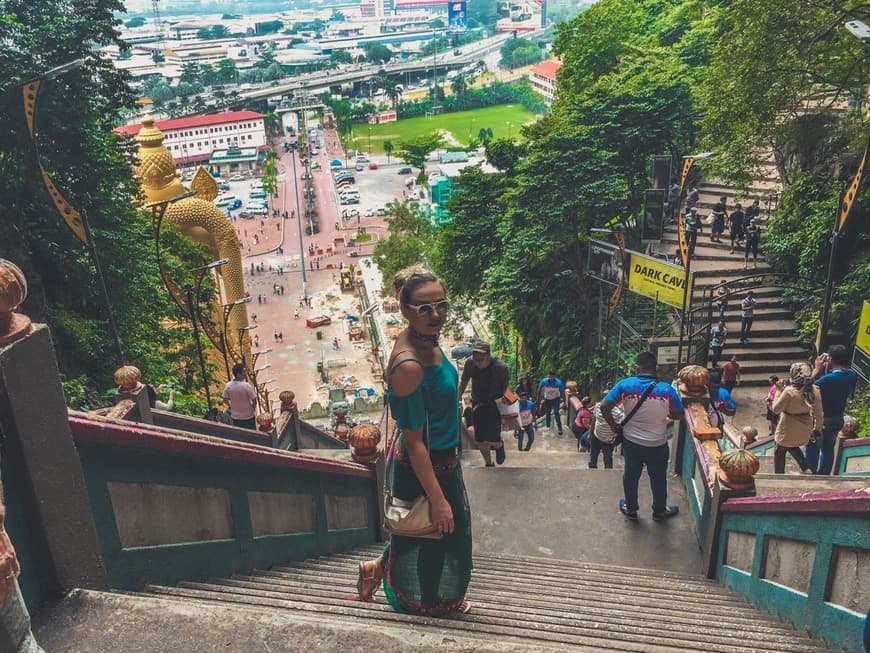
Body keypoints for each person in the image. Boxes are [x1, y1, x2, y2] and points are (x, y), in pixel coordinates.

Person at [355, 267, 472, 615]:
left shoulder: (425, 341)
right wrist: (438, 499)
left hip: (442, 459)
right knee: (440, 537)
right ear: (405, 311)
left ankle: (374, 569)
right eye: (424, 308)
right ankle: (430, 606)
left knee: (416, 531)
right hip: (427, 465)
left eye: (441, 305)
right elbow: (415, 440)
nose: (435, 314)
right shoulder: (409, 365)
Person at [599, 352, 683, 522]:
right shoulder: (667, 389)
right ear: (655, 369)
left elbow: (604, 406)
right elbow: (678, 414)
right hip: (657, 444)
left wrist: (614, 426)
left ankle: (631, 509)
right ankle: (659, 512)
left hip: (631, 443)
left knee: (631, 476)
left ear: (638, 367)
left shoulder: (625, 385)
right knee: (658, 478)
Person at [807, 344, 858, 475]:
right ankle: (824, 474)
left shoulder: (827, 379)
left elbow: (806, 388)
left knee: (813, 448)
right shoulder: (852, 375)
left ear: (830, 359)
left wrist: (816, 370)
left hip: (822, 419)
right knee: (828, 448)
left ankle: (811, 474)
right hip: (838, 418)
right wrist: (827, 369)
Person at [458, 340, 510, 466]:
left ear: (488, 356)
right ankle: (488, 463)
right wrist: (457, 397)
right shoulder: (470, 364)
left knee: (493, 437)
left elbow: (506, 386)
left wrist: (508, 400)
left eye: (480, 360)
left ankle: (499, 445)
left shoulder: (500, 367)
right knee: (480, 438)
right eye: (475, 359)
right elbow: (464, 381)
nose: (477, 362)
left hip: (494, 405)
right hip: (478, 404)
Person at [771, 362, 822, 474]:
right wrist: (817, 429)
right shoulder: (815, 390)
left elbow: (776, 409)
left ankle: (779, 477)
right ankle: (805, 468)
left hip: (788, 424)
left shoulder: (789, 392)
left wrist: (779, 392)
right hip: (805, 425)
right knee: (791, 444)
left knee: (780, 451)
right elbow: (819, 413)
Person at [589, 393, 621, 469]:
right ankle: (592, 470)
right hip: (596, 436)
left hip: (608, 440)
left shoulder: (618, 413)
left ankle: (608, 474)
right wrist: (590, 434)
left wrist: (614, 437)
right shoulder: (597, 406)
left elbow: (620, 428)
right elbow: (594, 419)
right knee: (593, 455)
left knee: (608, 458)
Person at [222, 363, 257, 429]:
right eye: (244, 372)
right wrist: (252, 408)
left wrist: (232, 406)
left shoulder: (228, 385)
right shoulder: (246, 386)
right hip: (249, 416)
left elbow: (224, 399)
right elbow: (254, 399)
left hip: (235, 417)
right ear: (238, 374)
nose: (245, 373)